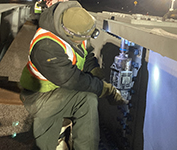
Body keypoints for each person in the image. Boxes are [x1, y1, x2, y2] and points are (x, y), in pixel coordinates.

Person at [19, 1, 128, 150]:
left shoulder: (76, 26)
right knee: (82, 102)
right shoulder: (46, 46)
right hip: (38, 94)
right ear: (68, 33)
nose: (84, 41)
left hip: (59, 86)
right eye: (81, 38)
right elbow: (71, 79)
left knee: (87, 99)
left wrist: (96, 72)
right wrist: (105, 89)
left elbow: (87, 55)